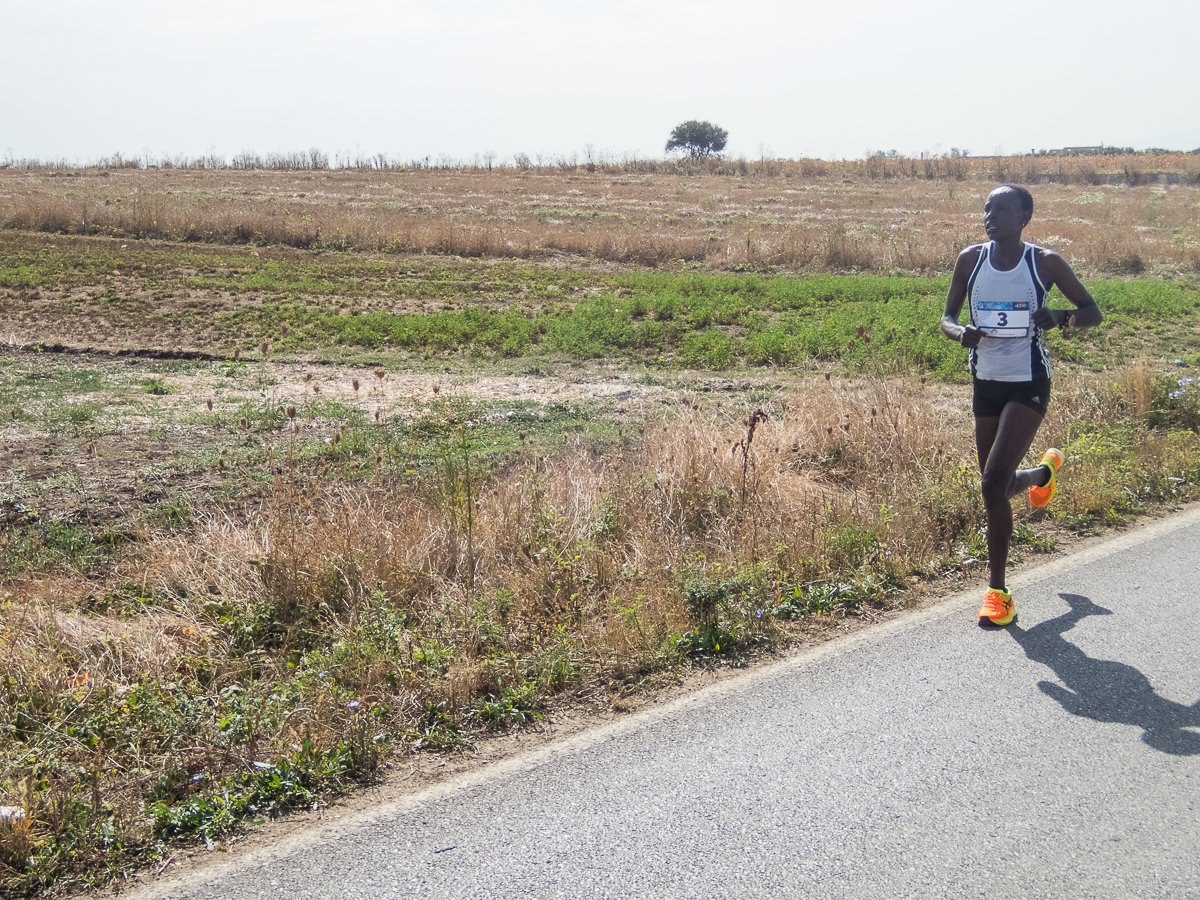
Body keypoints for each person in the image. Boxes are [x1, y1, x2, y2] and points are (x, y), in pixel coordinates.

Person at [940, 184, 1102, 626]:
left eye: (1001, 209)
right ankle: (1042, 475)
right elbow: (946, 317)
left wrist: (1063, 317)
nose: (990, 215)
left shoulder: (1044, 262)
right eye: (986, 208)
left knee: (992, 485)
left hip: (1029, 382)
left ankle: (998, 594)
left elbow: (1092, 311)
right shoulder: (970, 259)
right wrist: (960, 333)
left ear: (1024, 217)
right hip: (985, 382)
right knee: (998, 483)